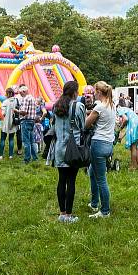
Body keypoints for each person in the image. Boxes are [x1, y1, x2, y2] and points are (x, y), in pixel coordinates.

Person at [50, 81, 85, 223]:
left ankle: (62, 213)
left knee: (61, 180)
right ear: (75, 92)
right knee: (71, 181)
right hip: (73, 149)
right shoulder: (78, 106)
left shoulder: (56, 106)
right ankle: (69, 215)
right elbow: (82, 126)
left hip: (59, 147)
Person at [85, 81, 116, 218]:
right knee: (92, 172)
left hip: (98, 143)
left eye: (94, 91)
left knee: (101, 180)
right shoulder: (111, 105)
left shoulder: (100, 107)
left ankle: (105, 211)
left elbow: (86, 124)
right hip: (108, 144)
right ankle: (94, 203)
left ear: (98, 92)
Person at [16, 85, 39, 163]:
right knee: (32, 141)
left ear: (24, 91)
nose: (20, 95)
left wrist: (16, 110)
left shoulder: (26, 99)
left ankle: (27, 159)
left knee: (26, 142)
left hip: (26, 121)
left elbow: (24, 112)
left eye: (21, 93)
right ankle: (35, 157)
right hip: (32, 121)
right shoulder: (32, 98)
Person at [0, 88, 17, 159]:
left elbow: (3, 113)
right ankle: (11, 155)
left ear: (8, 93)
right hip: (14, 122)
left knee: (3, 139)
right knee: (11, 139)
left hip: (6, 122)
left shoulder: (5, 102)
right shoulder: (16, 101)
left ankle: (0, 155)